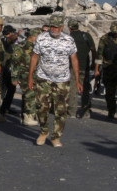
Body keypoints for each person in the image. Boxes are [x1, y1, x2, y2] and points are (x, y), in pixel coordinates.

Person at [28, 15, 82, 147]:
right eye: (52, 26)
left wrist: (78, 80)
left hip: (62, 81)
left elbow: (74, 59)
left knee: (61, 110)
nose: (54, 29)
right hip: (43, 78)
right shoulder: (41, 38)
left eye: (57, 27)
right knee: (42, 108)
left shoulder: (69, 40)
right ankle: (43, 132)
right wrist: (30, 76)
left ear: (62, 27)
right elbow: (35, 57)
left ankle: (56, 137)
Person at [94, 21, 117, 120]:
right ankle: (111, 111)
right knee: (110, 91)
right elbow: (99, 55)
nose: (115, 34)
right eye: (113, 32)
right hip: (108, 67)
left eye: (116, 32)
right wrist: (97, 69)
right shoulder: (105, 39)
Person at [67, 19, 97, 119]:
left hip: (72, 67)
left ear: (69, 28)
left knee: (73, 88)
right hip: (85, 67)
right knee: (85, 88)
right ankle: (86, 111)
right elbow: (93, 50)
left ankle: (72, 111)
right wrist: (93, 63)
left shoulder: (68, 38)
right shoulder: (86, 35)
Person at [11, 28, 40, 126]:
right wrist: (14, 77)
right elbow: (15, 62)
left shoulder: (36, 47)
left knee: (30, 95)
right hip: (24, 74)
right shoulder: (21, 46)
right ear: (33, 36)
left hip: (35, 74)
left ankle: (26, 116)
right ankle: (28, 116)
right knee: (30, 95)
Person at [0, 25, 19, 116]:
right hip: (5, 68)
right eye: (12, 32)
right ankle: (3, 108)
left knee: (11, 89)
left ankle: (6, 107)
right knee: (6, 89)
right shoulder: (4, 40)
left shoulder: (12, 41)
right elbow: (9, 40)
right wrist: (18, 34)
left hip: (10, 67)